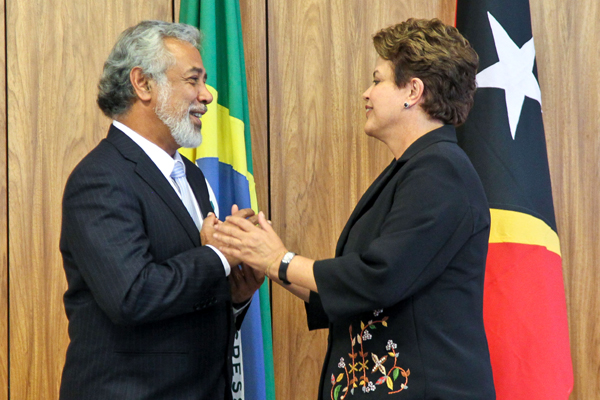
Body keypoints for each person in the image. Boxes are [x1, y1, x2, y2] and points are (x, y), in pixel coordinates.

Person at [214, 18, 496, 399]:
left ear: (413, 90)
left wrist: (280, 260)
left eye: (377, 80)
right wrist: (268, 261)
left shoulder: (440, 169)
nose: (366, 93)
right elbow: (358, 294)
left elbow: (380, 276)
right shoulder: (414, 168)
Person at [59, 20, 263, 400]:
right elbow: (133, 295)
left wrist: (234, 298)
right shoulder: (100, 179)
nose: (207, 95)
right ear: (143, 84)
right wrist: (219, 255)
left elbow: (188, 297)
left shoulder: (193, 177)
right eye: (193, 80)